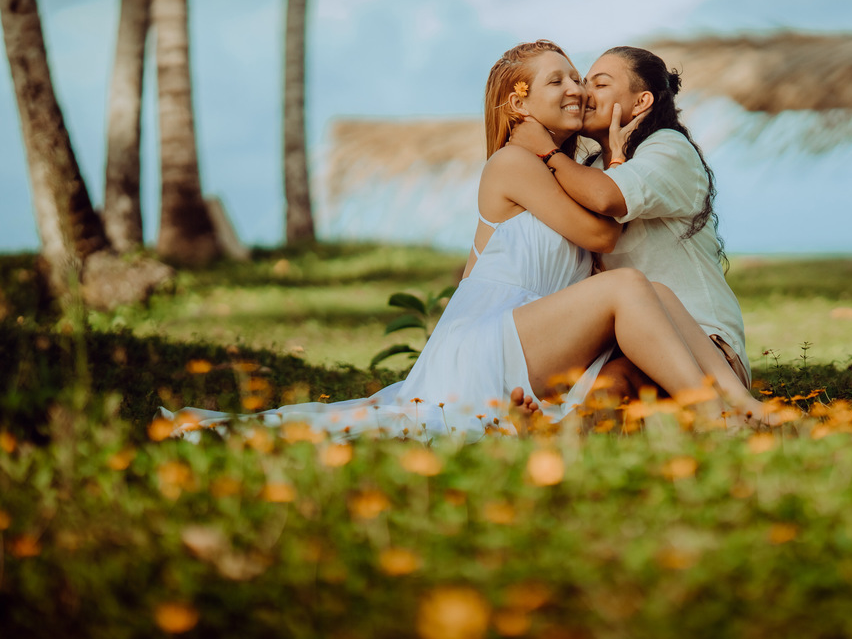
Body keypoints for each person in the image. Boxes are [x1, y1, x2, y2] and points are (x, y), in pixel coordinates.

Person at [164, 41, 764, 442]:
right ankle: (719, 417)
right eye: (559, 79)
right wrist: (552, 153)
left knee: (647, 291)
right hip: (487, 345)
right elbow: (602, 230)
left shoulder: (562, 166)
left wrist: (569, 154)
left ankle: (744, 411)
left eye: (578, 77)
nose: (577, 88)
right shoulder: (515, 164)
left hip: (523, 342)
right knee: (629, 286)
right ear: (517, 103)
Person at [510, 46, 749, 399]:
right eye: (585, 82)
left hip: (699, 341)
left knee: (615, 386)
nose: (583, 93)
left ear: (640, 103)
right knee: (599, 390)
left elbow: (609, 198)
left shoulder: (667, 148)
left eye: (600, 84)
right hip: (622, 343)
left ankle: (727, 410)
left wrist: (547, 151)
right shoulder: (587, 172)